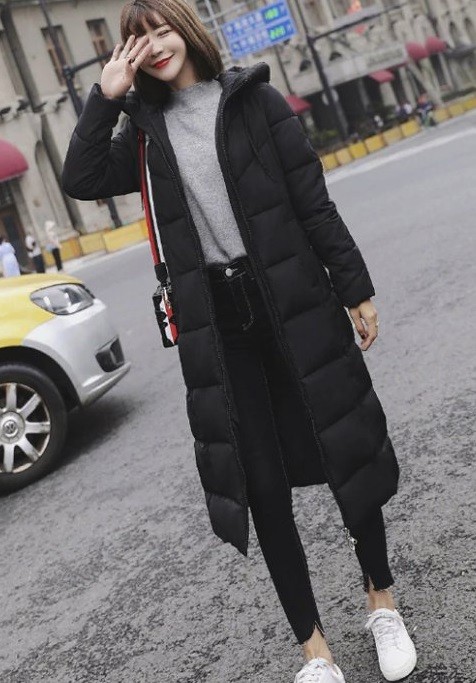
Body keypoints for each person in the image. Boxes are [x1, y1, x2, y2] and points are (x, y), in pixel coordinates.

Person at [62, 1, 417, 681]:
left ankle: (382, 601)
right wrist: (105, 98)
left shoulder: (256, 102)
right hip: (220, 328)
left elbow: (313, 201)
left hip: (294, 302)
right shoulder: (143, 133)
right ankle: (314, 650)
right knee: (261, 483)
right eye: (137, 40)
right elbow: (80, 179)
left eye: (162, 30)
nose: (154, 47)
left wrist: (354, 287)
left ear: (187, 30)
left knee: (344, 447)